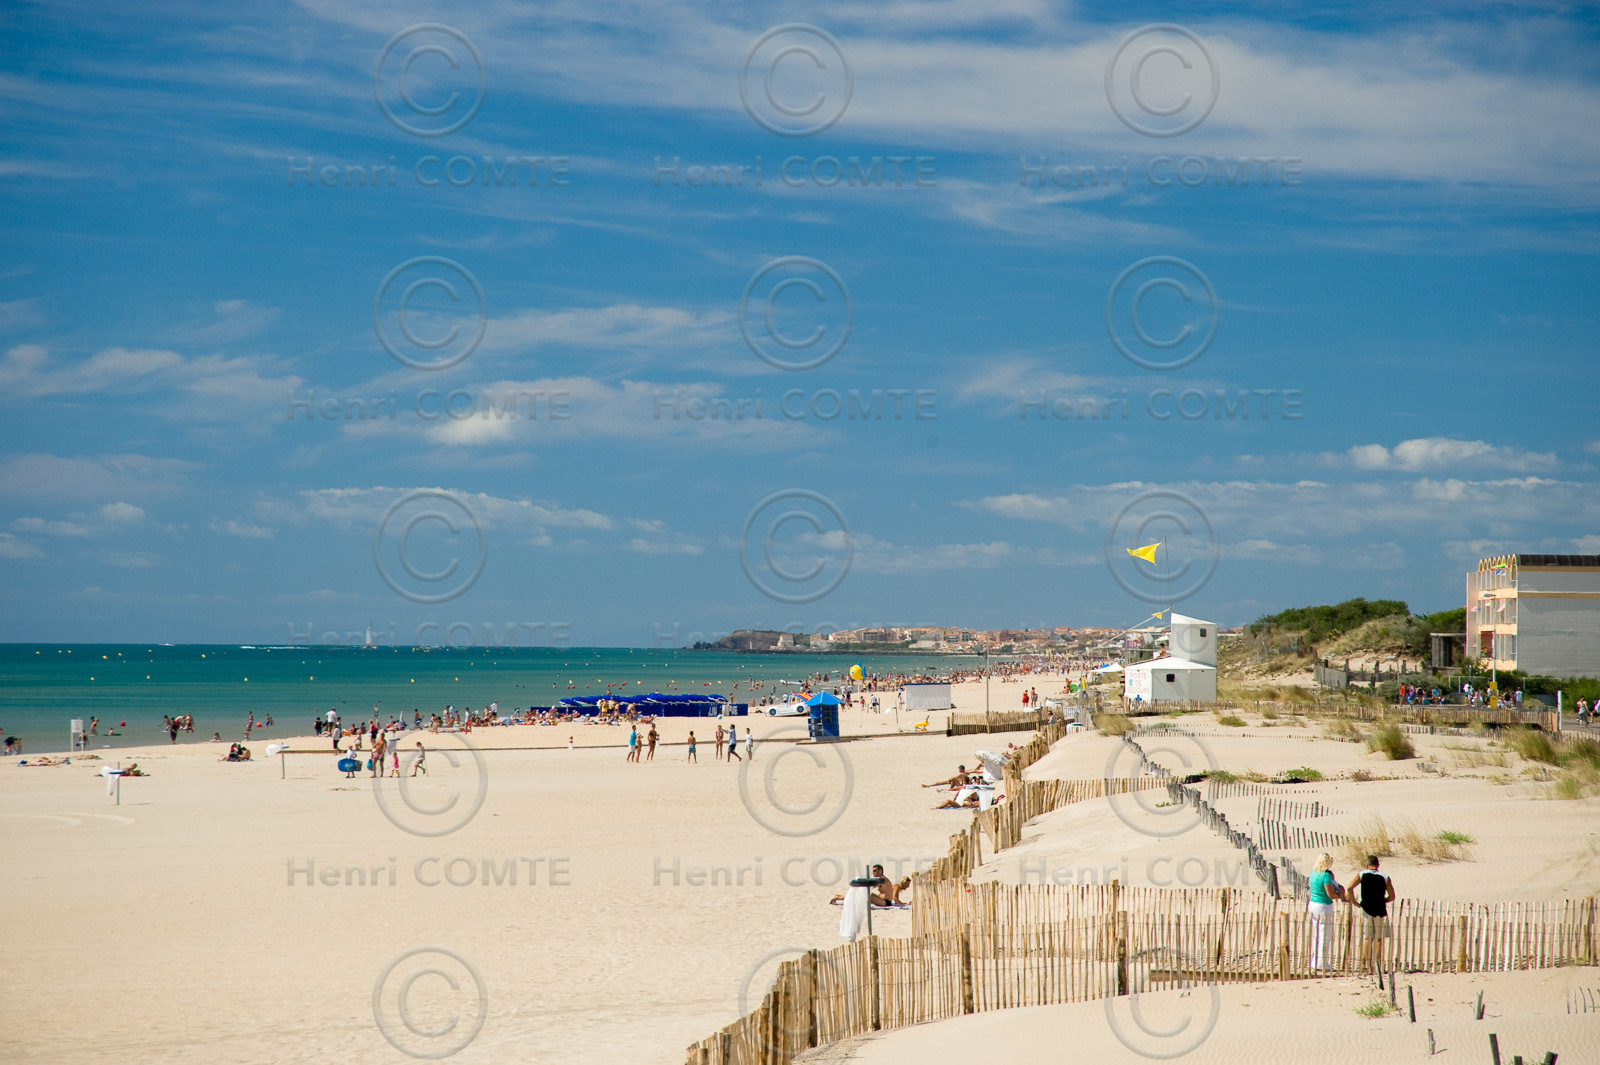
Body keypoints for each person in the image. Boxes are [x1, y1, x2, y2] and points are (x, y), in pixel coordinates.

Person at [1348, 855, 1396, 974]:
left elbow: (1349, 888)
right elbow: (1392, 896)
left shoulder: (1361, 874)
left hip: (1367, 909)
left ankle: (1368, 966)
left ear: (1366, 864)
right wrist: (1384, 900)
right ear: (1378, 864)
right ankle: (1378, 966)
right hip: (1380, 909)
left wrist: (1354, 902)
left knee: (1368, 937)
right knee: (1379, 938)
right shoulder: (1385, 877)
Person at [1307, 852, 1344, 971]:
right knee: (1324, 935)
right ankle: (1321, 963)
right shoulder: (1325, 876)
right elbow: (1330, 894)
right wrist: (1340, 896)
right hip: (1323, 906)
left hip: (1312, 904)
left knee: (1316, 934)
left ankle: (1315, 961)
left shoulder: (1313, 873)